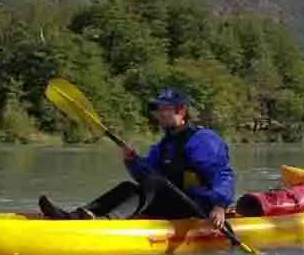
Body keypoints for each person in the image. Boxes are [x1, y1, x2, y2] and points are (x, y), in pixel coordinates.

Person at [39, 88, 235, 229]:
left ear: (181, 111)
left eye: (165, 109)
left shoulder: (203, 140)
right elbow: (146, 178)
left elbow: (224, 175)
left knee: (157, 181)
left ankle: (109, 223)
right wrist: (132, 161)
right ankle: (78, 215)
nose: (160, 114)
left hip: (197, 205)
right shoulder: (164, 144)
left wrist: (220, 206)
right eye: (158, 109)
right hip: (172, 202)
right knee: (128, 187)